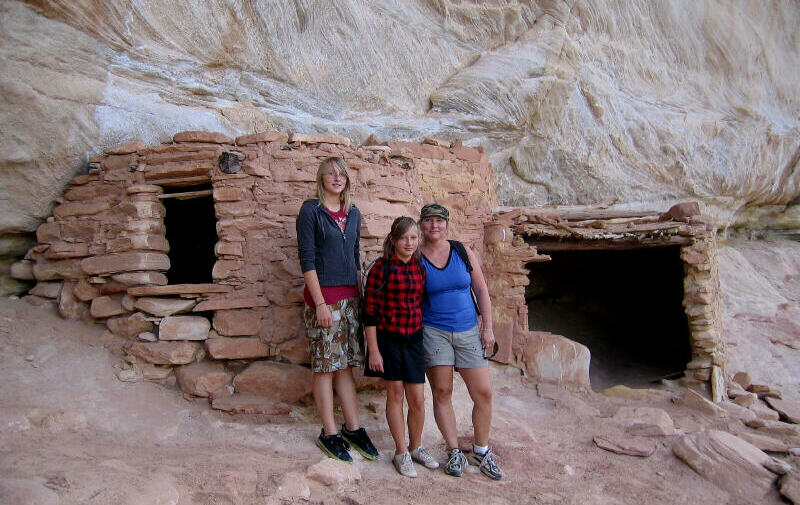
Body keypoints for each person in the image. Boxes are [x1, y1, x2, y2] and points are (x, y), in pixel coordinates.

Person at [296, 157, 379, 463]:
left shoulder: (353, 213)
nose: (336, 177)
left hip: (350, 300)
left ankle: (352, 428)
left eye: (341, 173)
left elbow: (356, 256)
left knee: (345, 365)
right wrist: (319, 303)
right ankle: (329, 433)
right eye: (330, 173)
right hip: (324, 300)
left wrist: (362, 298)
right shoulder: (311, 211)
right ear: (321, 178)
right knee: (324, 366)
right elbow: (307, 260)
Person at [418, 203, 503, 480]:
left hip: (467, 330)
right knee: (442, 392)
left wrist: (487, 327)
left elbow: (480, 288)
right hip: (434, 331)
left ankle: (481, 449)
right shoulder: (416, 256)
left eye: (439, 221)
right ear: (421, 224)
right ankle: (454, 450)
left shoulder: (461, 251)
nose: (434, 226)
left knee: (484, 392)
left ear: (447, 224)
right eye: (429, 221)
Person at [363, 217, 439, 478]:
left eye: (414, 238)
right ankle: (401, 451)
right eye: (404, 238)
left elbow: (422, 304)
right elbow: (370, 314)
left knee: (417, 399)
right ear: (393, 240)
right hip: (389, 340)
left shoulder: (420, 268)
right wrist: (373, 351)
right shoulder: (380, 270)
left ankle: (416, 447)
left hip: (414, 340)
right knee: (395, 395)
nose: (409, 243)